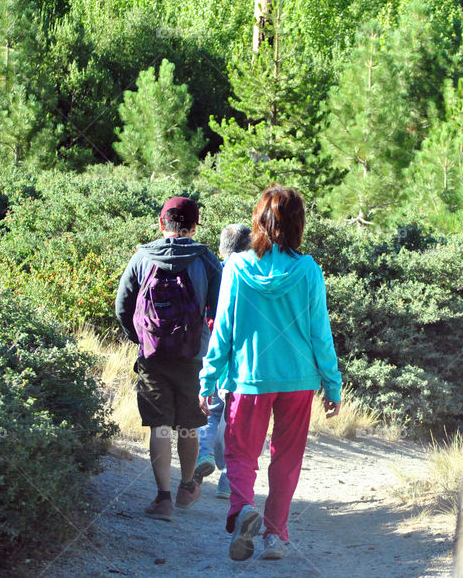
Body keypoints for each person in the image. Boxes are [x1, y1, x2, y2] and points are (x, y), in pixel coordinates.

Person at [200, 185, 342, 562]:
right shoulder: (308, 270)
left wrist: (209, 378)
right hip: (298, 380)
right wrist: (332, 383)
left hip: (249, 379)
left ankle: (243, 509)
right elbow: (319, 332)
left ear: (259, 221)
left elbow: (224, 329)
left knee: (241, 452)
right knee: (286, 458)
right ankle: (275, 536)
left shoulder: (237, 266)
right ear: (298, 223)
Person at [115, 196, 222, 522]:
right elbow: (220, 312)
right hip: (193, 357)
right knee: (188, 426)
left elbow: (123, 306)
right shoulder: (206, 261)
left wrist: (142, 339)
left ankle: (162, 499)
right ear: (194, 225)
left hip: (152, 356)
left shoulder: (142, 258)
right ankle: (187, 487)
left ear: (162, 224)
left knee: (159, 427)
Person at [194, 223, 253, 499]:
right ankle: (228, 480)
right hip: (243, 355)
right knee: (235, 417)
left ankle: (203, 454)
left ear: (221, 247)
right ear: (251, 246)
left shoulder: (213, 269)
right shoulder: (251, 272)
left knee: (212, 411)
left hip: (212, 349)